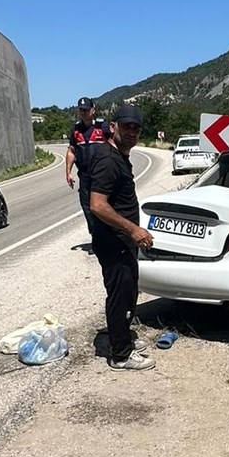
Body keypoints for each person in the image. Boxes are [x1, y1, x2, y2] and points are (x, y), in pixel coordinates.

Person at [89, 104, 156, 371]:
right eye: (126, 127)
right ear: (113, 126)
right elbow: (97, 204)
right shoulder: (107, 160)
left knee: (127, 292)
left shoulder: (118, 156)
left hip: (121, 240)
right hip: (114, 240)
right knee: (120, 294)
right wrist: (133, 230)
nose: (131, 133)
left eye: (136, 129)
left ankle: (123, 336)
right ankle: (121, 354)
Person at [65, 97, 107, 234]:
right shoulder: (76, 130)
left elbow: (115, 144)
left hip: (102, 174)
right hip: (84, 175)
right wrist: (68, 173)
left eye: (86, 110)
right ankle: (96, 235)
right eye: (81, 110)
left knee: (103, 205)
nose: (84, 112)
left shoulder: (102, 127)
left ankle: (107, 233)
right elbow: (71, 151)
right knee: (87, 207)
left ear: (93, 110)